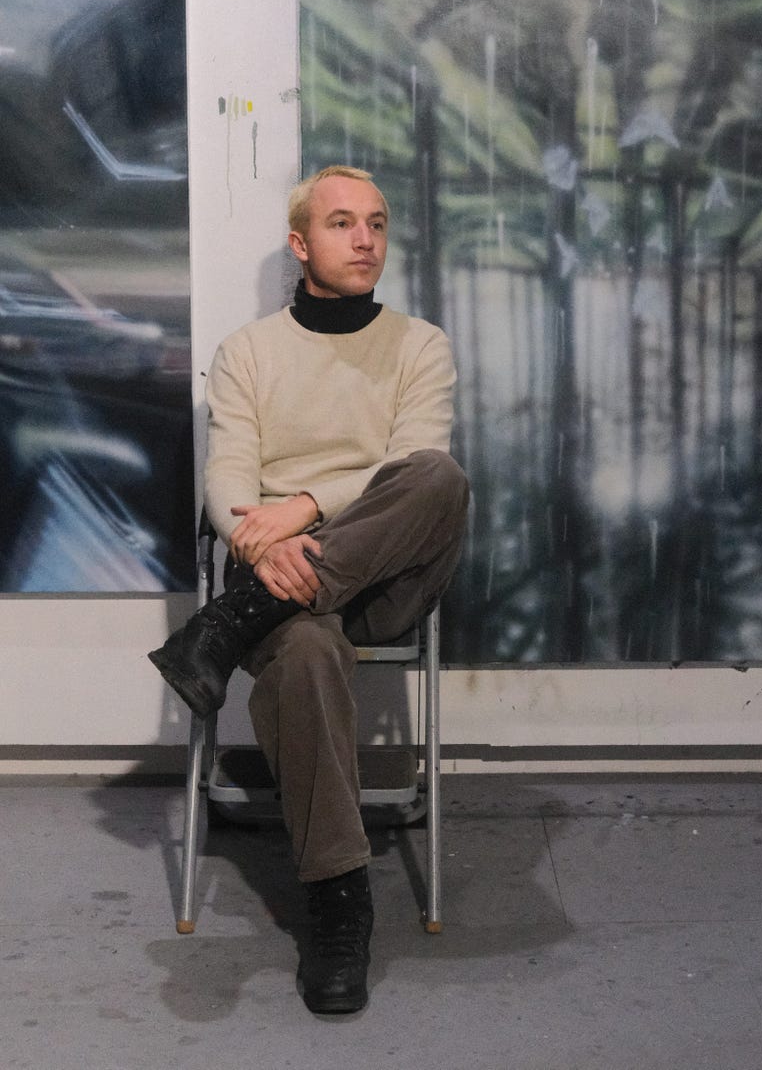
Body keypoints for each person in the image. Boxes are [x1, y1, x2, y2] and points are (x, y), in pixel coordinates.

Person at [148, 164, 469, 1014]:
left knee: (439, 476)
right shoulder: (249, 351)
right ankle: (338, 900)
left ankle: (225, 625)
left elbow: (409, 470)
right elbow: (228, 483)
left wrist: (305, 509)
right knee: (301, 644)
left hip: (387, 572)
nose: (365, 238)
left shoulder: (421, 344)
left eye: (377, 222)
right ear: (301, 243)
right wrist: (269, 537)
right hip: (280, 576)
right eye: (341, 223)